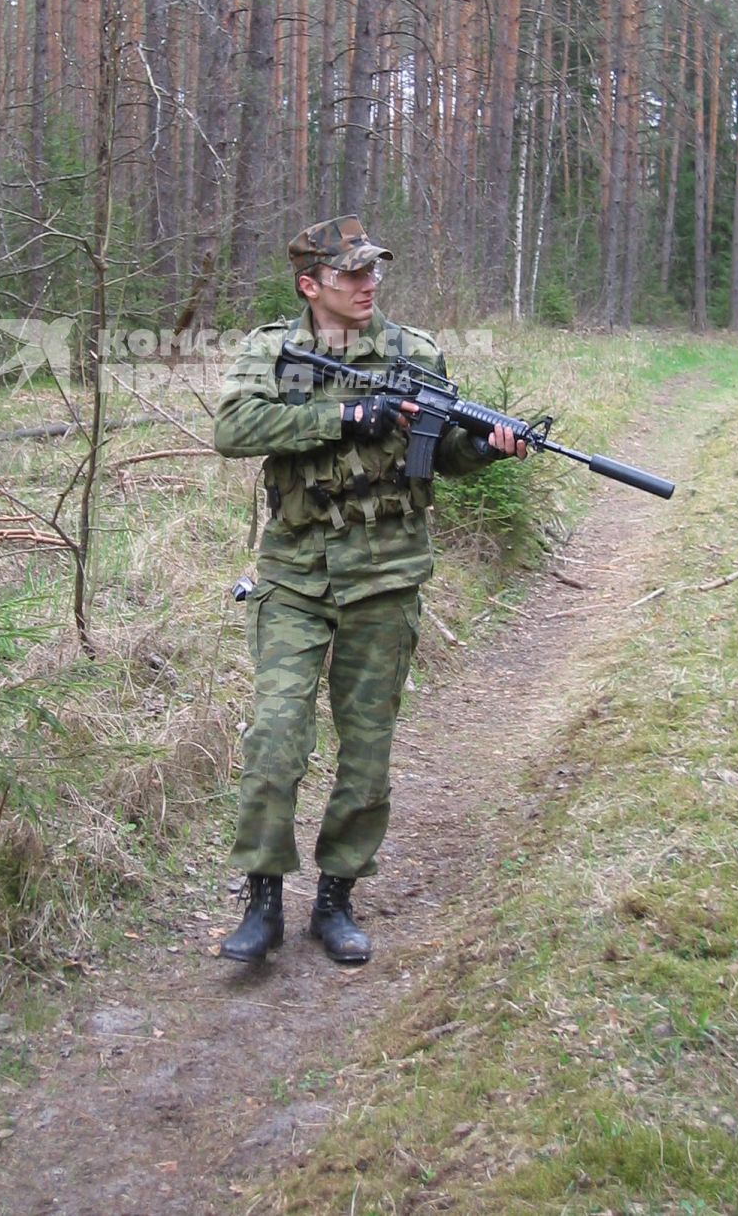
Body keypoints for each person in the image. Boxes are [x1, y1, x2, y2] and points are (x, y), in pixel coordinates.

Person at [213, 215, 526, 964]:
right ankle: (262, 897)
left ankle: (336, 897)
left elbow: (443, 455)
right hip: (293, 575)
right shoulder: (272, 351)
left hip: (386, 578)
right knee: (276, 737)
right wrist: (346, 413)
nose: (367, 283)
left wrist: (483, 447)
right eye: (351, 273)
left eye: (372, 270)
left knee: (367, 753)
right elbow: (234, 426)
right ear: (310, 283)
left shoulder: (414, 351)